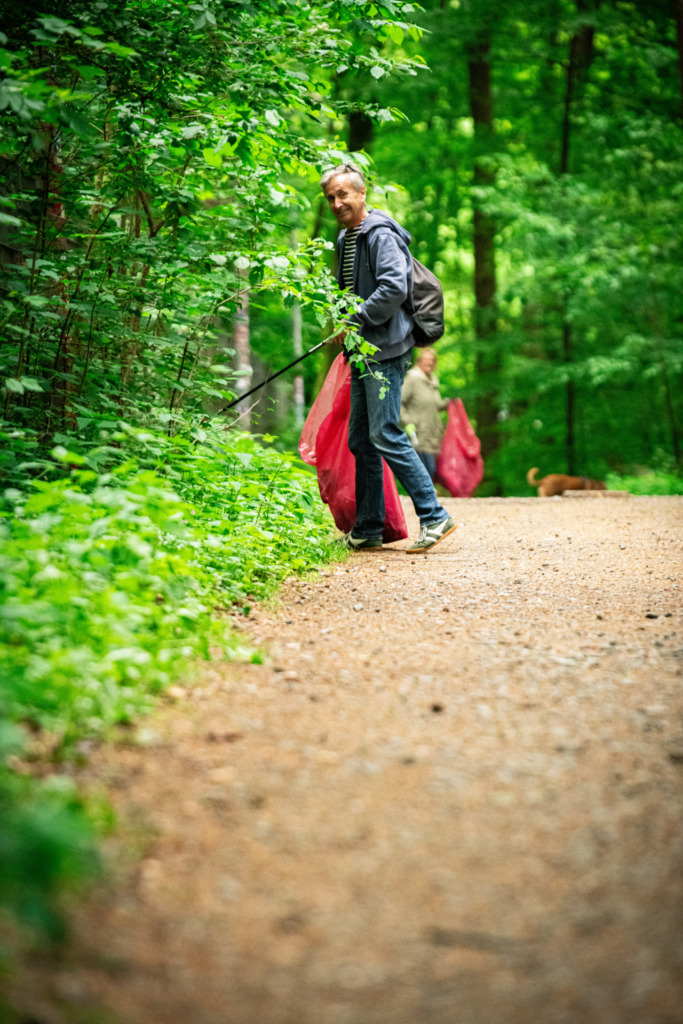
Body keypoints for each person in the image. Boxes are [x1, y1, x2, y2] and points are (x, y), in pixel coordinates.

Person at [320, 162, 456, 554]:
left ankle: (434, 515)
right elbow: (351, 292)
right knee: (361, 439)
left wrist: (354, 319)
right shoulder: (347, 237)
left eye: (343, 194)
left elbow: (394, 286)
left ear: (361, 193)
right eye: (330, 198)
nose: (337, 203)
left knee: (383, 432)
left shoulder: (379, 233)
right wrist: (343, 323)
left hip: (387, 348)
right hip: (363, 350)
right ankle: (369, 527)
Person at [400, 348, 451, 482]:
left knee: (432, 472)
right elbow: (399, 402)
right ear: (419, 361)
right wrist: (408, 421)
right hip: (418, 435)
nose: (430, 363)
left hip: (433, 435)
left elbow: (436, 404)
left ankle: (428, 494)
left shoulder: (432, 381)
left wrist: (450, 404)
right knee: (426, 471)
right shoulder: (412, 379)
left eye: (432, 361)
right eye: (426, 360)